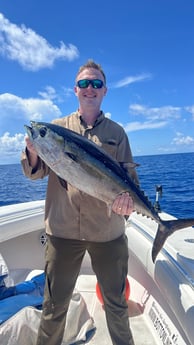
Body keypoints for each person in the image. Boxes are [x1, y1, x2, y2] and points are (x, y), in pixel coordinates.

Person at [21, 59, 139, 345]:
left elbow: (130, 182)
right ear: (75, 89)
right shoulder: (58, 129)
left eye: (96, 83)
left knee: (116, 306)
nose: (90, 88)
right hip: (62, 232)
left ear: (104, 91)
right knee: (53, 309)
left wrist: (128, 204)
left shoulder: (116, 133)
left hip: (107, 232)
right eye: (84, 83)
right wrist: (33, 151)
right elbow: (33, 172)